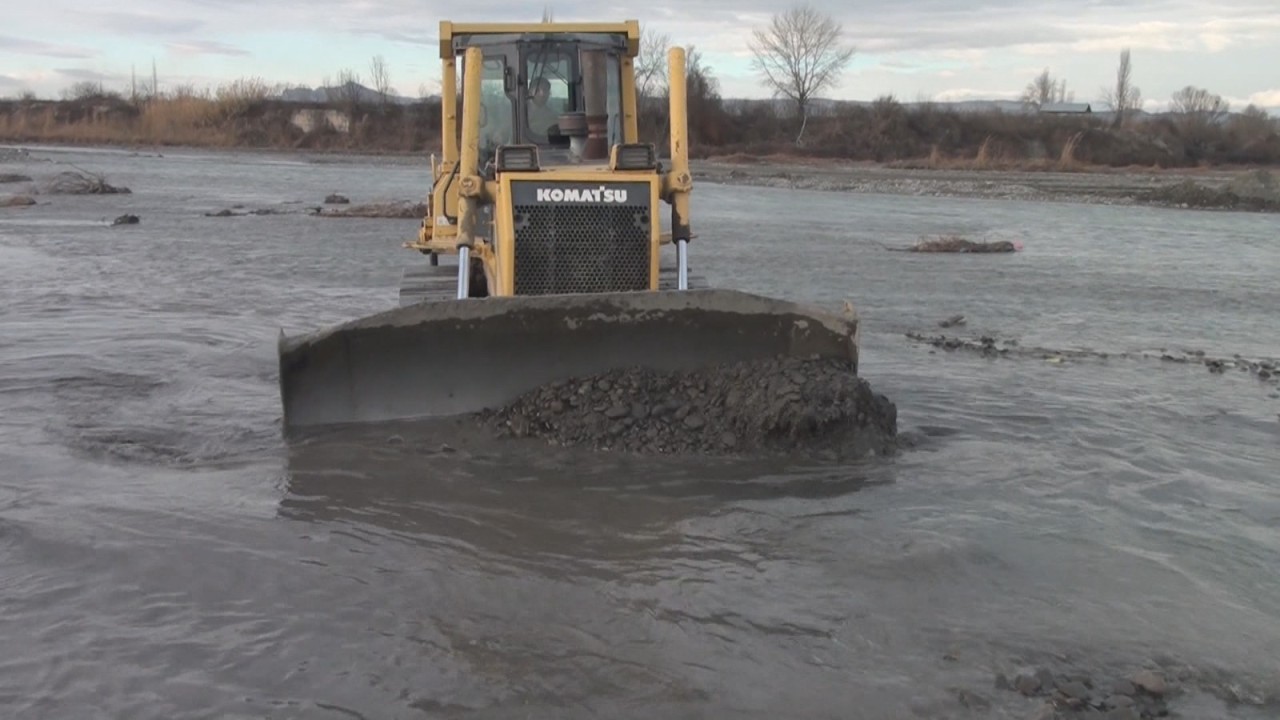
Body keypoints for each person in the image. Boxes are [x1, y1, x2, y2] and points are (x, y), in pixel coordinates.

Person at [526, 78, 560, 142]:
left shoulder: (553, 116)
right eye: (537, 90)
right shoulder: (519, 112)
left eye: (545, 90)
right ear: (530, 92)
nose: (542, 94)